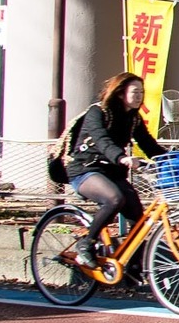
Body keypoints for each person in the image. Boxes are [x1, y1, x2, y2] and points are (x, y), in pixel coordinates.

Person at [64, 71, 167, 270]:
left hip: (112, 173)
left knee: (139, 220)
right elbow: (103, 141)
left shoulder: (133, 118)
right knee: (114, 199)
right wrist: (122, 158)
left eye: (141, 92)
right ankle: (86, 243)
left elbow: (148, 145)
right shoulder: (98, 112)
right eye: (135, 92)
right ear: (121, 93)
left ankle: (133, 267)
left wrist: (174, 158)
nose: (139, 96)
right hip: (85, 169)